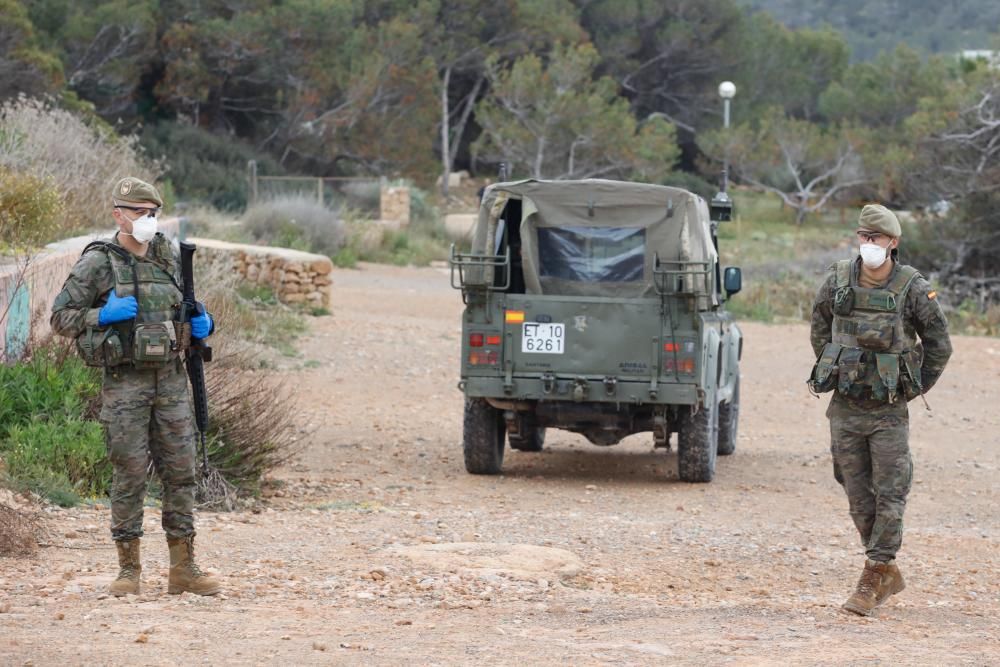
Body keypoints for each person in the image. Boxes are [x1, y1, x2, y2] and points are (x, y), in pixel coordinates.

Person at [50, 177, 221, 597]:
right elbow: (60, 318)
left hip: (172, 381)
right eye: (139, 211)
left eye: (152, 212)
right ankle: (129, 570)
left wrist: (206, 324)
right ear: (118, 215)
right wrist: (100, 316)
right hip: (125, 384)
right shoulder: (99, 262)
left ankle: (184, 567)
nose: (147, 219)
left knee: (181, 473)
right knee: (129, 474)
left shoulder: (169, 255)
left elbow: (190, 307)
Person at [808, 204, 952, 616]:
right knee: (857, 496)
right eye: (864, 237)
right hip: (846, 406)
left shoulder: (911, 287)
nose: (869, 245)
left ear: (893, 243)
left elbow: (939, 343)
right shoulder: (838, 278)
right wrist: (835, 365)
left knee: (891, 491)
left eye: (877, 238)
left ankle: (873, 574)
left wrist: (912, 386)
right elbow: (819, 324)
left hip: (889, 410)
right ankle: (886, 566)